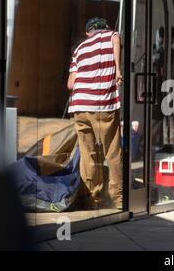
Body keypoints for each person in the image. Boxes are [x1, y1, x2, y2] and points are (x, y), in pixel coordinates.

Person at [67, 17, 123, 210]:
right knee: (112, 153)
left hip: (80, 106)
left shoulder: (79, 49)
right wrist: (118, 69)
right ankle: (117, 200)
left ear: (87, 32)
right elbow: (116, 38)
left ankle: (92, 199)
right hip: (102, 104)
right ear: (105, 28)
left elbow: (70, 84)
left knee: (88, 154)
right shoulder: (110, 35)